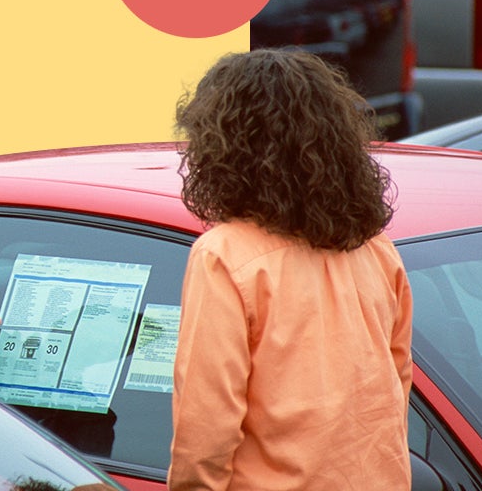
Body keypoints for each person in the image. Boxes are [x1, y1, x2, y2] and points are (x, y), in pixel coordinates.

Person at [167, 49, 413, 491]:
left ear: (222, 144)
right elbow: (393, 393)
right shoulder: (376, 249)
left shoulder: (223, 256)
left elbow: (205, 431)